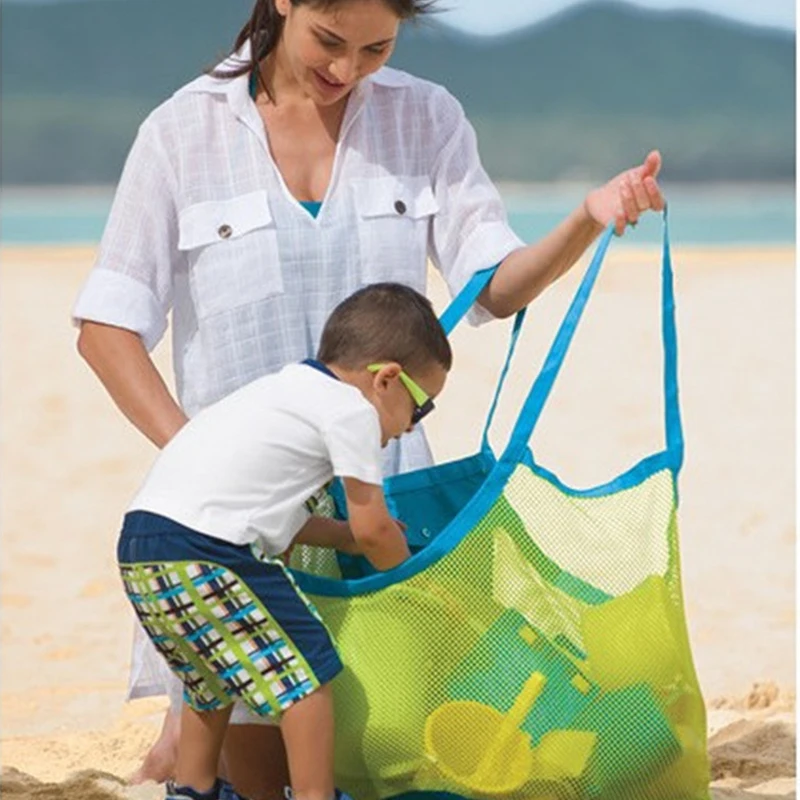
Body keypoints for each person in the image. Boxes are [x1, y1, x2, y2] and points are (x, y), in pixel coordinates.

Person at [73, 0, 665, 794]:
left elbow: (494, 286)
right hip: (241, 539)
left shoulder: (427, 118)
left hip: (374, 506)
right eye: (328, 40)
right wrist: (203, 463)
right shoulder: (181, 132)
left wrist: (588, 218)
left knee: (384, 753)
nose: (346, 71)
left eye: (376, 48)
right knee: (262, 766)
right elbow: (107, 328)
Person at [117, 283, 451, 800]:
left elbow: (275, 515)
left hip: (144, 545)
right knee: (308, 675)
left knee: (211, 680)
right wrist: (416, 583)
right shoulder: (352, 411)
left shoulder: (285, 389)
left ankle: (193, 788)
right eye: (421, 408)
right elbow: (374, 527)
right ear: (387, 379)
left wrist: (342, 537)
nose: (411, 428)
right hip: (211, 551)